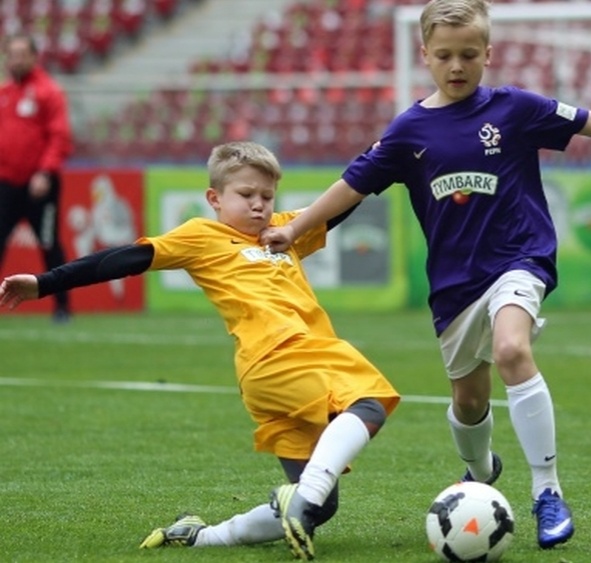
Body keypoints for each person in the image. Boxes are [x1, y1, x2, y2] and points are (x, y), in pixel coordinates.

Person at [258, 0, 591, 550]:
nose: (456, 65)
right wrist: (294, 230)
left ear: (487, 54)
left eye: (467, 54)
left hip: (520, 259)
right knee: (468, 401)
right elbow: (353, 184)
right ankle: (481, 470)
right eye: (444, 56)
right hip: (456, 285)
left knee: (512, 349)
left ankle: (547, 492)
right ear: (425, 57)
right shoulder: (410, 130)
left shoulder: (514, 110)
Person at [0, 141, 400, 561]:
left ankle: (201, 536)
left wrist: (381, 154)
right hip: (280, 353)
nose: (259, 206)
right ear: (215, 198)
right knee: (368, 403)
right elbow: (126, 259)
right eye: (246, 195)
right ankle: (298, 499)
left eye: (266, 196)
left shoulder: (285, 231)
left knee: (321, 506)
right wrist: (44, 283)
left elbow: (342, 201)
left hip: (275, 376)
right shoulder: (201, 235)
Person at [0, 32, 73, 323]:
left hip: (40, 185)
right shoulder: (5, 94)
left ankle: (63, 307)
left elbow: (60, 137)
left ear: (33, 57)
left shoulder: (48, 92)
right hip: (6, 183)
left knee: (48, 243)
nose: (15, 60)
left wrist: (45, 171)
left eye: (21, 54)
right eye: (11, 54)